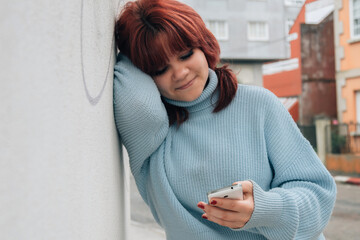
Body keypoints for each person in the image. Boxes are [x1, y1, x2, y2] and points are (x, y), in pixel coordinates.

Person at [113, 0, 337, 239]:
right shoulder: (153, 135)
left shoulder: (258, 105)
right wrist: (133, 44)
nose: (179, 73)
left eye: (186, 54)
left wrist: (265, 209)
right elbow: (132, 95)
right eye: (159, 69)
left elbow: (318, 193)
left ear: (203, 44)